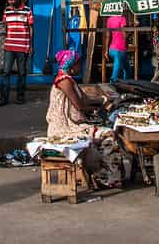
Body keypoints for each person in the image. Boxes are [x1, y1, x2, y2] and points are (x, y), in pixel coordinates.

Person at [46, 49, 126, 187]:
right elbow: (80, 105)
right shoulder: (64, 81)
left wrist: (102, 100)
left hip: (72, 124)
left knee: (104, 135)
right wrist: (98, 107)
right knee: (109, 135)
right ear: (71, 66)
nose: (80, 66)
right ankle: (105, 177)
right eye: (78, 64)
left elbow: (85, 99)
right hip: (64, 128)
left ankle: (100, 174)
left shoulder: (69, 80)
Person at [0, 0, 33, 106]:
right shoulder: (7, 10)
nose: (10, 1)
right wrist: (4, 42)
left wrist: (31, 45)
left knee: (22, 73)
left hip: (23, 46)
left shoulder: (27, 10)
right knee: (6, 72)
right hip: (9, 46)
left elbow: (31, 28)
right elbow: (5, 26)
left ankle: (20, 96)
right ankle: (4, 98)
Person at [105, 9, 130, 83]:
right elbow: (125, 36)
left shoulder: (109, 19)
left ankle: (126, 85)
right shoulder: (122, 19)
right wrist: (132, 31)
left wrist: (106, 51)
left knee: (127, 69)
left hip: (112, 49)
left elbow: (108, 36)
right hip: (120, 50)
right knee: (115, 74)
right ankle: (111, 86)